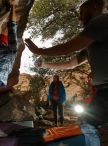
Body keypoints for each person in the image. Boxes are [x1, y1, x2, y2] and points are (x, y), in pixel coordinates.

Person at [25, 0, 108, 145]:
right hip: (103, 91)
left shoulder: (101, 20)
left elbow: (71, 46)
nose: (79, 17)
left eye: (82, 12)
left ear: (94, 7)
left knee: (88, 125)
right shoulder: (92, 41)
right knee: (88, 125)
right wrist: (45, 63)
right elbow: (71, 63)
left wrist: (40, 51)